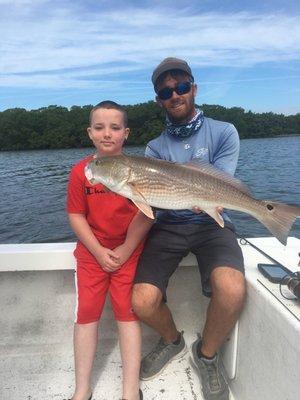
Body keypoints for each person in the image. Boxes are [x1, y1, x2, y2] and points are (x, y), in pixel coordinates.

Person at [132, 58, 246, 400]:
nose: (175, 95)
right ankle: (172, 341)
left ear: (193, 89)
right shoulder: (154, 148)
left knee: (232, 289)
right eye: (166, 91)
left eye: (181, 87)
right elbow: (153, 200)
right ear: (159, 100)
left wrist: (202, 198)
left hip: (213, 223)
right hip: (169, 225)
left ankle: (206, 355)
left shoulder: (224, 132)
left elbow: (221, 184)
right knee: (141, 301)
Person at [66, 100, 152, 400]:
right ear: (90, 133)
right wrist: (99, 252)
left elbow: (146, 214)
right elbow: (76, 215)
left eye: (115, 128)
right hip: (91, 256)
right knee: (86, 316)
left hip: (129, 254)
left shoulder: (138, 170)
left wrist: (127, 249)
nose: (107, 134)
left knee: (127, 317)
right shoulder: (81, 171)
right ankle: (82, 390)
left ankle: (130, 391)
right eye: (100, 127)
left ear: (125, 133)